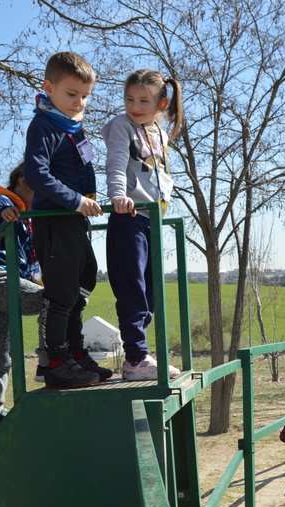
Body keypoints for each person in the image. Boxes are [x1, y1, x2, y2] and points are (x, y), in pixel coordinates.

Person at [23, 51, 112, 389]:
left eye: (85, 96)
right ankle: (54, 361)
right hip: (55, 221)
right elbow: (36, 174)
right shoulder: (44, 124)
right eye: (72, 94)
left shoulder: (73, 128)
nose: (79, 102)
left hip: (75, 223)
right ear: (49, 87)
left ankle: (75, 353)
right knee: (60, 294)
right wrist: (75, 201)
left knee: (81, 288)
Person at [101, 69, 183, 381]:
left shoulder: (160, 134)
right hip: (130, 218)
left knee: (150, 293)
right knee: (132, 288)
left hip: (153, 220)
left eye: (143, 101)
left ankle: (139, 357)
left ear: (161, 105)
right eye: (129, 99)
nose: (135, 106)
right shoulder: (122, 126)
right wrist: (118, 195)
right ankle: (135, 357)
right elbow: (117, 163)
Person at [0, 163, 48, 432]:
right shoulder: (3, 201)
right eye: (43, 189)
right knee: (54, 300)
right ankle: (51, 362)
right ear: (24, 182)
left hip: (3, 286)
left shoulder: (25, 215)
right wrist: (3, 212)